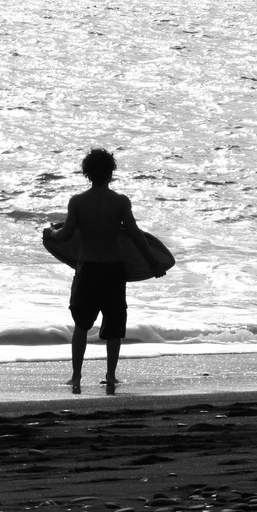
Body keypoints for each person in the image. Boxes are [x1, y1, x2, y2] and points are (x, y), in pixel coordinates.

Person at [43, 148, 163, 393]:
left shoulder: (78, 201)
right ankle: (110, 375)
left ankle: (76, 377)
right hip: (113, 272)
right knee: (114, 326)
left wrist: (49, 234)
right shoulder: (119, 202)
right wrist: (153, 262)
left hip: (87, 270)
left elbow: (65, 235)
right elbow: (136, 235)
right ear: (111, 173)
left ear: (87, 174)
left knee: (81, 325)